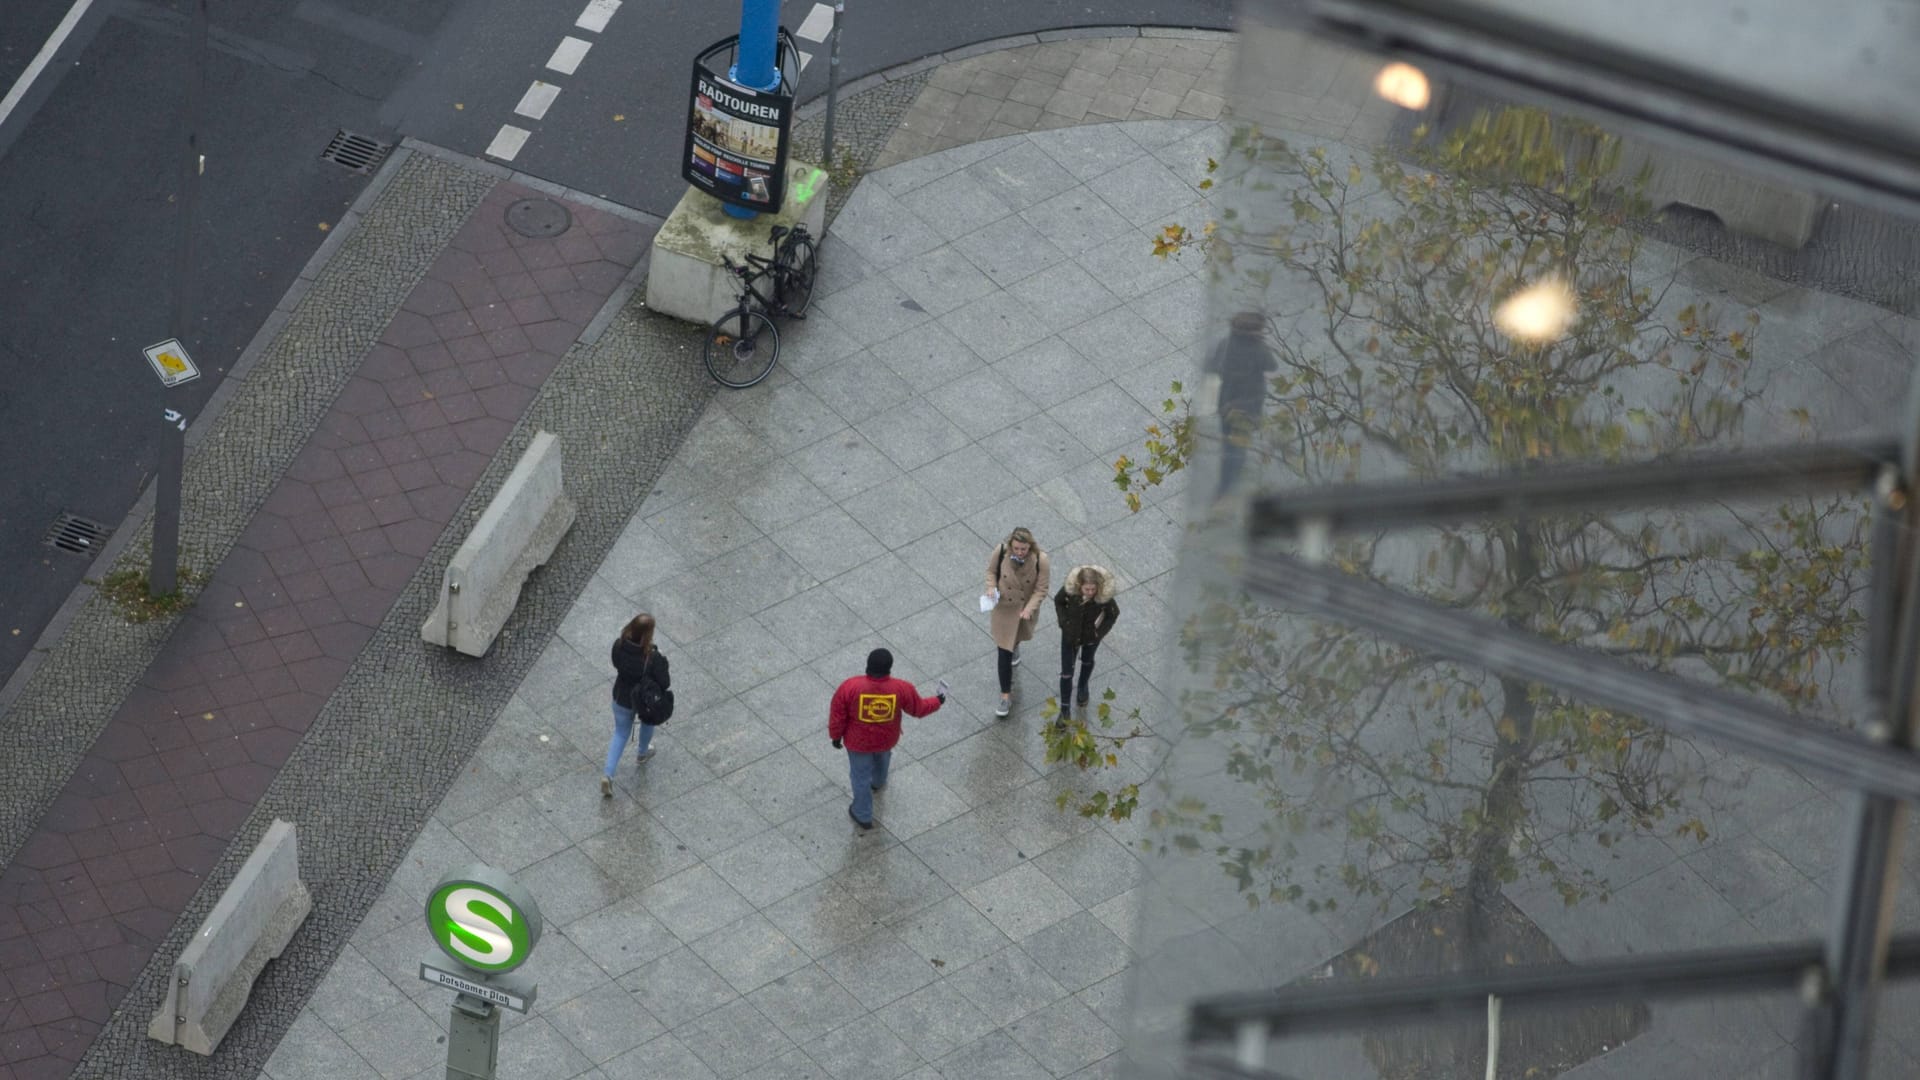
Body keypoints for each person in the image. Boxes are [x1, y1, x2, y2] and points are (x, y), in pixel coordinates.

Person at [828, 648, 945, 830]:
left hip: (858, 743)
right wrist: (938, 701)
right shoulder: (901, 688)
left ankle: (862, 813)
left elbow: (838, 716)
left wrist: (836, 736)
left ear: (867, 666)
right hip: (886, 739)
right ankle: (878, 782)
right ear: (889, 669)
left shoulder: (849, 687)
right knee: (883, 758)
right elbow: (919, 709)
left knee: (860, 777)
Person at [1206, 311, 1278, 499]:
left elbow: (1213, 366)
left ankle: (1225, 483)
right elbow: (1272, 365)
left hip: (1226, 403)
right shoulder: (1258, 349)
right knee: (1239, 446)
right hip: (1247, 405)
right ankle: (1228, 488)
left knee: (1228, 444)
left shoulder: (1226, 344)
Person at [984, 527, 1050, 718]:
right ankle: (1005, 696)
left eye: (1024, 549)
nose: (1020, 552)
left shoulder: (1041, 560)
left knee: (1015, 640)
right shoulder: (1001, 551)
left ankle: (1016, 646)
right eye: (1017, 548)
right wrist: (990, 588)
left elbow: (1041, 588)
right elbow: (991, 572)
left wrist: (1030, 608)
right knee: (1003, 651)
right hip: (1004, 608)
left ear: (1030, 546)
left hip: (1023, 610)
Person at [603, 613, 670, 798]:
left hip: (621, 697)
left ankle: (608, 775)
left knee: (620, 733)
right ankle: (642, 752)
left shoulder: (619, 645)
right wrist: (661, 659)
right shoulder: (651, 657)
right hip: (643, 701)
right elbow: (664, 681)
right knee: (648, 722)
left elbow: (616, 663)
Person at [1053, 564, 1121, 712]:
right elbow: (1058, 601)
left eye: (1093, 589)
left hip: (1091, 635)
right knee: (1066, 673)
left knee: (1087, 660)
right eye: (1087, 589)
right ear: (1079, 586)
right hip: (1070, 635)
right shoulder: (1070, 591)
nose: (1090, 592)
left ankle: (1083, 684)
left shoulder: (1104, 598)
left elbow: (1113, 614)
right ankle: (1065, 710)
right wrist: (1064, 622)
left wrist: (1099, 632)